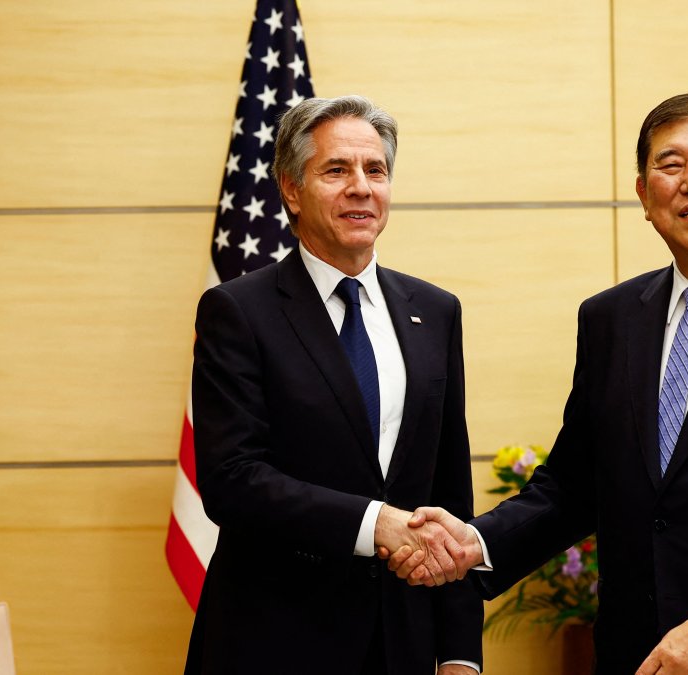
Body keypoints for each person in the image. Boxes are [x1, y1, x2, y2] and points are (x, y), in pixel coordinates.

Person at [387, 92, 688, 674]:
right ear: (644, 196)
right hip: (638, 654)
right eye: (670, 165)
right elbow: (572, 487)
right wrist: (477, 543)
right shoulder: (611, 319)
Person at [184, 95, 482, 675]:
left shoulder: (435, 310)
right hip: (274, 639)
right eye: (337, 170)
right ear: (291, 189)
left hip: (404, 642)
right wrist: (377, 524)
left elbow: (449, 491)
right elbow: (232, 481)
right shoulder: (238, 311)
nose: (361, 188)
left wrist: (461, 653)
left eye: (376, 170)